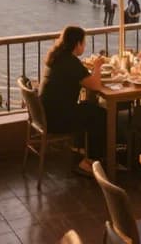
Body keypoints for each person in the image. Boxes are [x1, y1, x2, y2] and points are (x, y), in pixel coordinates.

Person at [39, 26, 106, 176]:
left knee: (88, 108)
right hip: (57, 119)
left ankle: (80, 149)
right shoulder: (70, 62)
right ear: (77, 44)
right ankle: (89, 161)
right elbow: (95, 85)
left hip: (46, 115)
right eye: (84, 43)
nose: (85, 46)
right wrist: (97, 67)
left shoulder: (58, 57)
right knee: (99, 114)